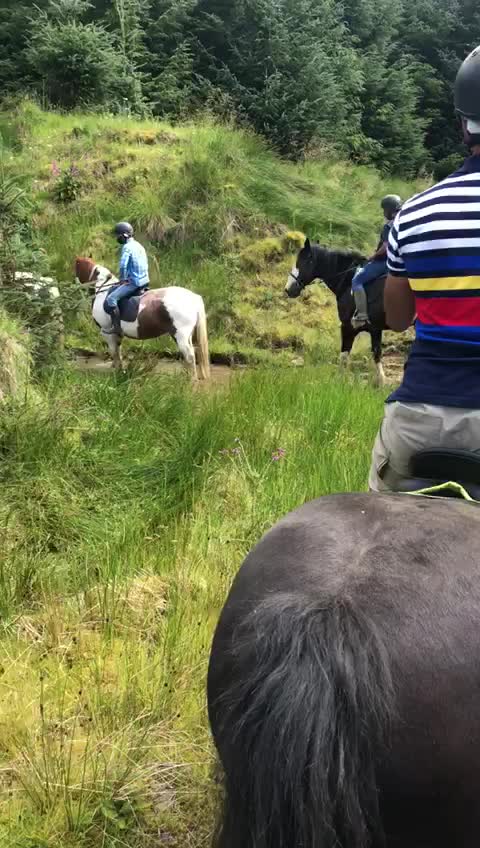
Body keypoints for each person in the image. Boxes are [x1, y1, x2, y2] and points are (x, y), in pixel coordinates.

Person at [369, 44, 480, 491]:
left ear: (462, 124)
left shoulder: (414, 213)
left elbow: (397, 319)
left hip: (420, 421)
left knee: (370, 516)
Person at [352, 194, 402, 328]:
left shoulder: (389, 226)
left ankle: (362, 316)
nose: (384, 213)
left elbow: (386, 247)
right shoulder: (403, 222)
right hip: (401, 261)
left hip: (385, 262)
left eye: (384, 210)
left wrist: (373, 257)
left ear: (390, 210)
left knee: (356, 280)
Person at [104, 222, 149, 335]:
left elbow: (123, 265)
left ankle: (117, 327)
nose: (117, 238)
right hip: (145, 280)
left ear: (124, 235)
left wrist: (123, 279)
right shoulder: (139, 245)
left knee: (111, 299)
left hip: (134, 283)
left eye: (118, 236)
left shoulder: (127, 248)